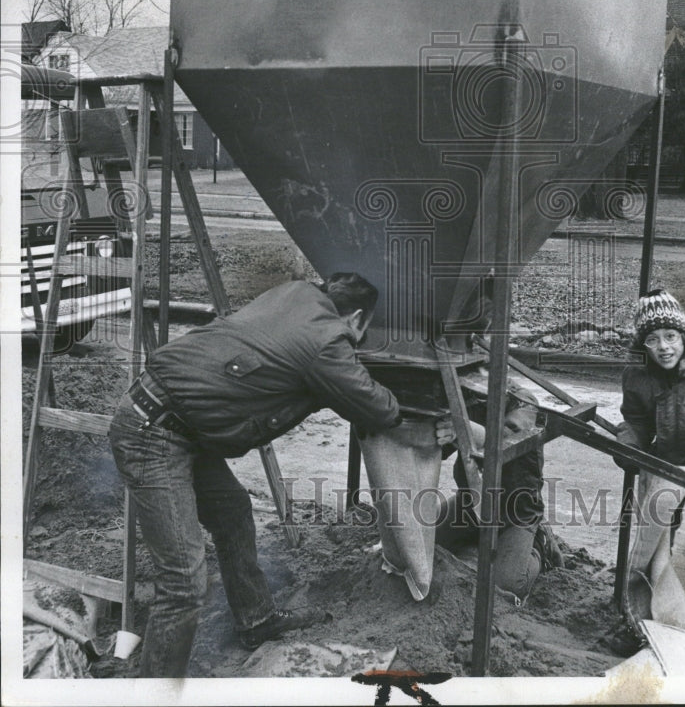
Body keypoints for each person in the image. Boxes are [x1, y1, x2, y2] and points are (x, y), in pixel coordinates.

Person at [109, 274, 401, 678]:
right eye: (360, 334)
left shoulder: (294, 292)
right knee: (183, 583)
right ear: (355, 318)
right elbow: (380, 410)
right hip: (153, 434)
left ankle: (255, 619)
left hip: (176, 420)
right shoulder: (326, 342)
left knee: (232, 511)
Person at [433, 399, 563, 600]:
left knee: (508, 587)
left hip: (515, 514)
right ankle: (477, 538)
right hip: (469, 505)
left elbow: (510, 437)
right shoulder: (467, 396)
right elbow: (438, 446)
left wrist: (465, 429)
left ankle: (540, 545)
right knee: (422, 542)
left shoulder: (524, 402)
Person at [615, 289, 685, 506]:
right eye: (652, 339)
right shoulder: (637, 374)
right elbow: (636, 420)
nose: (663, 347)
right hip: (665, 464)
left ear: (684, 337)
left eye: (670, 336)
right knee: (655, 530)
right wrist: (630, 446)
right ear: (643, 346)